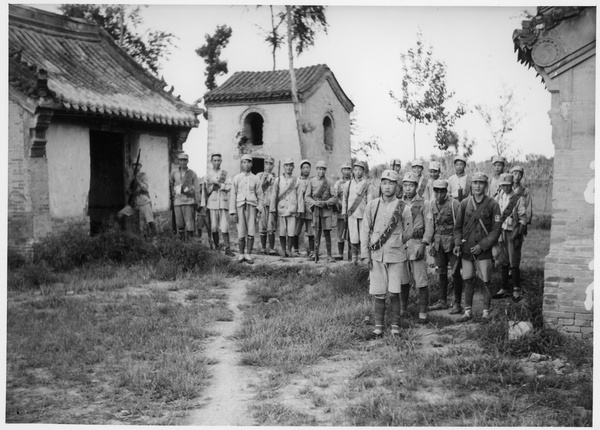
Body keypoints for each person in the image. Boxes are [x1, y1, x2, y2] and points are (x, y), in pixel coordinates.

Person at [360, 169, 411, 338]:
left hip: (395, 255)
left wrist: (396, 242)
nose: (387, 186)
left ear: (397, 186)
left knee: (394, 291)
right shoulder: (372, 205)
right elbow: (365, 231)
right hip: (376, 255)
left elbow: (408, 232)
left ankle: (395, 326)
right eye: (384, 183)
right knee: (378, 291)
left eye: (391, 183)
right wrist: (365, 254)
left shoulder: (404, 207)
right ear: (380, 185)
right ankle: (378, 326)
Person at [455, 172, 502, 322]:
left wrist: (483, 246)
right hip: (467, 249)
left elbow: (496, 229)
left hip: (484, 251)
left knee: (485, 280)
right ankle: (468, 311)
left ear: (486, 185)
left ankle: (486, 312)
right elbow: (457, 228)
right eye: (475, 182)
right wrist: (457, 243)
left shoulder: (493, 204)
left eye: (481, 183)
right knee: (468, 279)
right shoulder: (464, 203)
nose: (477, 186)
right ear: (471, 185)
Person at [402, 172, 434, 324]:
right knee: (402, 279)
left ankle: (423, 311)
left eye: (411, 185)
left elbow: (429, 226)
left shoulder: (424, 203)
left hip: (417, 244)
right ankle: (403, 309)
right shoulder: (398, 203)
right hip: (402, 246)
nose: (408, 188)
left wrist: (424, 243)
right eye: (405, 185)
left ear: (416, 186)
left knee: (421, 280)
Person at [492, 173, 528, 302]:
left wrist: (519, 233)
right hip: (501, 232)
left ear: (512, 184)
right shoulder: (498, 198)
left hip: (513, 232)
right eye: (503, 185)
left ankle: (516, 290)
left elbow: (523, 217)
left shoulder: (519, 198)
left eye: (508, 185)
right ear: (500, 185)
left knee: (514, 261)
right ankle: (504, 288)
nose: (506, 188)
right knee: (503, 260)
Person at [427, 179, 463, 312]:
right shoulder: (431, 204)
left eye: (442, 191)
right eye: (436, 191)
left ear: (446, 191)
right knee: (441, 271)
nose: (439, 194)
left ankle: (457, 303)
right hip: (438, 242)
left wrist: (458, 243)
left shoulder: (454, 204)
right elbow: (431, 225)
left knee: (455, 272)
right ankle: (443, 301)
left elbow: (459, 226)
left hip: (452, 242)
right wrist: (430, 244)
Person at [230, 154, 264, 264]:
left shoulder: (256, 178)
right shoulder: (236, 178)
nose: (247, 164)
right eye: (244, 162)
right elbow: (233, 196)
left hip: (252, 206)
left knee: (251, 230)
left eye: (249, 162)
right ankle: (241, 254)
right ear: (241, 164)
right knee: (241, 231)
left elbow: (260, 196)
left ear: (252, 164)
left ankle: (248, 254)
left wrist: (259, 209)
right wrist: (233, 211)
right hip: (240, 206)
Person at [305, 161, 338, 263]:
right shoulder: (311, 181)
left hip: (326, 210)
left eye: (323, 169)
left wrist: (325, 203)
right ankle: (315, 254)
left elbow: (334, 197)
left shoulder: (329, 182)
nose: (321, 171)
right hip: (316, 211)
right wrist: (314, 203)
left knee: (327, 232)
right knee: (316, 232)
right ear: (316, 169)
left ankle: (329, 255)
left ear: (325, 170)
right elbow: (307, 197)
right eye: (319, 169)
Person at [342, 160, 374, 264]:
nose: (358, 172)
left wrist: (369, 214)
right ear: (353, 171)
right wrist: (344, 212)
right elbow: (345, 199)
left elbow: (370, 200)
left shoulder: (367, 184)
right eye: (355, 170)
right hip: (351, 214)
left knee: (363, 236)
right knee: (353, 236)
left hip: (363, 214)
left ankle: (362, 257)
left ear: (363, 171)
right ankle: (354, 257)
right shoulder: (348, 184)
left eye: (360, 170)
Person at [271, 158, 303, 257]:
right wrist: (273, 208)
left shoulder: (297, 180)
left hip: (292, 209)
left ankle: (289, 250)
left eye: (290, 165)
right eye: (286, 165)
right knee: (282, 231)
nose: (288, 168)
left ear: (293, 167)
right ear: (284, 167)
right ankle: (283, 250)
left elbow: (300, 195)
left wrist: (300, 209)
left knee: (291, 231)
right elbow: (274, 195)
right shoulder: (278, 180)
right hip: (281, 208)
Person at [206, 152, 234, 256]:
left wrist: (219, 184)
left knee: (225, 226)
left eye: (218, 160)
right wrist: (211, 187)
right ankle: (216, 247)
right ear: (211, 162)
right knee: (214, 226)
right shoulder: (208, 175)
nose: (217, 162)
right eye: (215, 160)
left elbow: (229, 187)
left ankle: (228, 248)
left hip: (223, 202)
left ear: (221, 161)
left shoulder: (225, 174)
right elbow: (205, 190)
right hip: (212, 203)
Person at [169, 153, 201, 241]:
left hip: (189, 202)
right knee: (180, 225)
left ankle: (190, 244)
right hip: (178, 202)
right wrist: (173, 195)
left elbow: (197, 188)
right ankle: (182, 244)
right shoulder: (174, 172)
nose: (183, 162)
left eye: (184, 160)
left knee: (190, 224)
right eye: (181, 160)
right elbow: (171, 184)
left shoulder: (192, 173)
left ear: (188, 161)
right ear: (178, 161)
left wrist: (197, 201)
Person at [257, 156, 277, 255]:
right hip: (262, 203)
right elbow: (257, 189)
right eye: (266, 163)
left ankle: (272, 248)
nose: (268, 166)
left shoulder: (275, 177)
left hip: (272, 204)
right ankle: (263, 248)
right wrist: (264, 179)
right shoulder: (259, 175)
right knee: (262, 226)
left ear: (273, 165)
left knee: (271, 226)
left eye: (270, 164)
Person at [130, 162, 157, 237]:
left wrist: (137, 179)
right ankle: (142, 240)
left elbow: (145, 188)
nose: (135, 167)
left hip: (144, 201)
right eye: (133, 165)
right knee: (139, 224)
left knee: (150, 221)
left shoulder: (143, 176)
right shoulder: (130, 176)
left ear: (140, 166)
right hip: (136, 202)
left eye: (137, 165)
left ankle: (155, 241)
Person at [294, 159, 314, 257]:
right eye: (304, 168)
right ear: (301, 169)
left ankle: (311, 251)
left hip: (309, 209)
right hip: (300, 208)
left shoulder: (312, 180)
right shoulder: (297, 180)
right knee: (296, 230)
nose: (306, 170)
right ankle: (296, 250)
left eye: (307, 168)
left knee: (310, 231)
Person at [333, 163, 353, 260]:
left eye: (348, 169)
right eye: (344, 169)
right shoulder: (338, 183)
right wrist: (342, 204)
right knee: (340, 232)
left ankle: (351, 254)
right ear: (341, 171)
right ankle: (340, 254)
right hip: (341, 211)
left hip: (352, 211)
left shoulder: (353, 182)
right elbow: (335, 196)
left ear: (351, 171)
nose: (346, 171)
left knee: (351, 233)